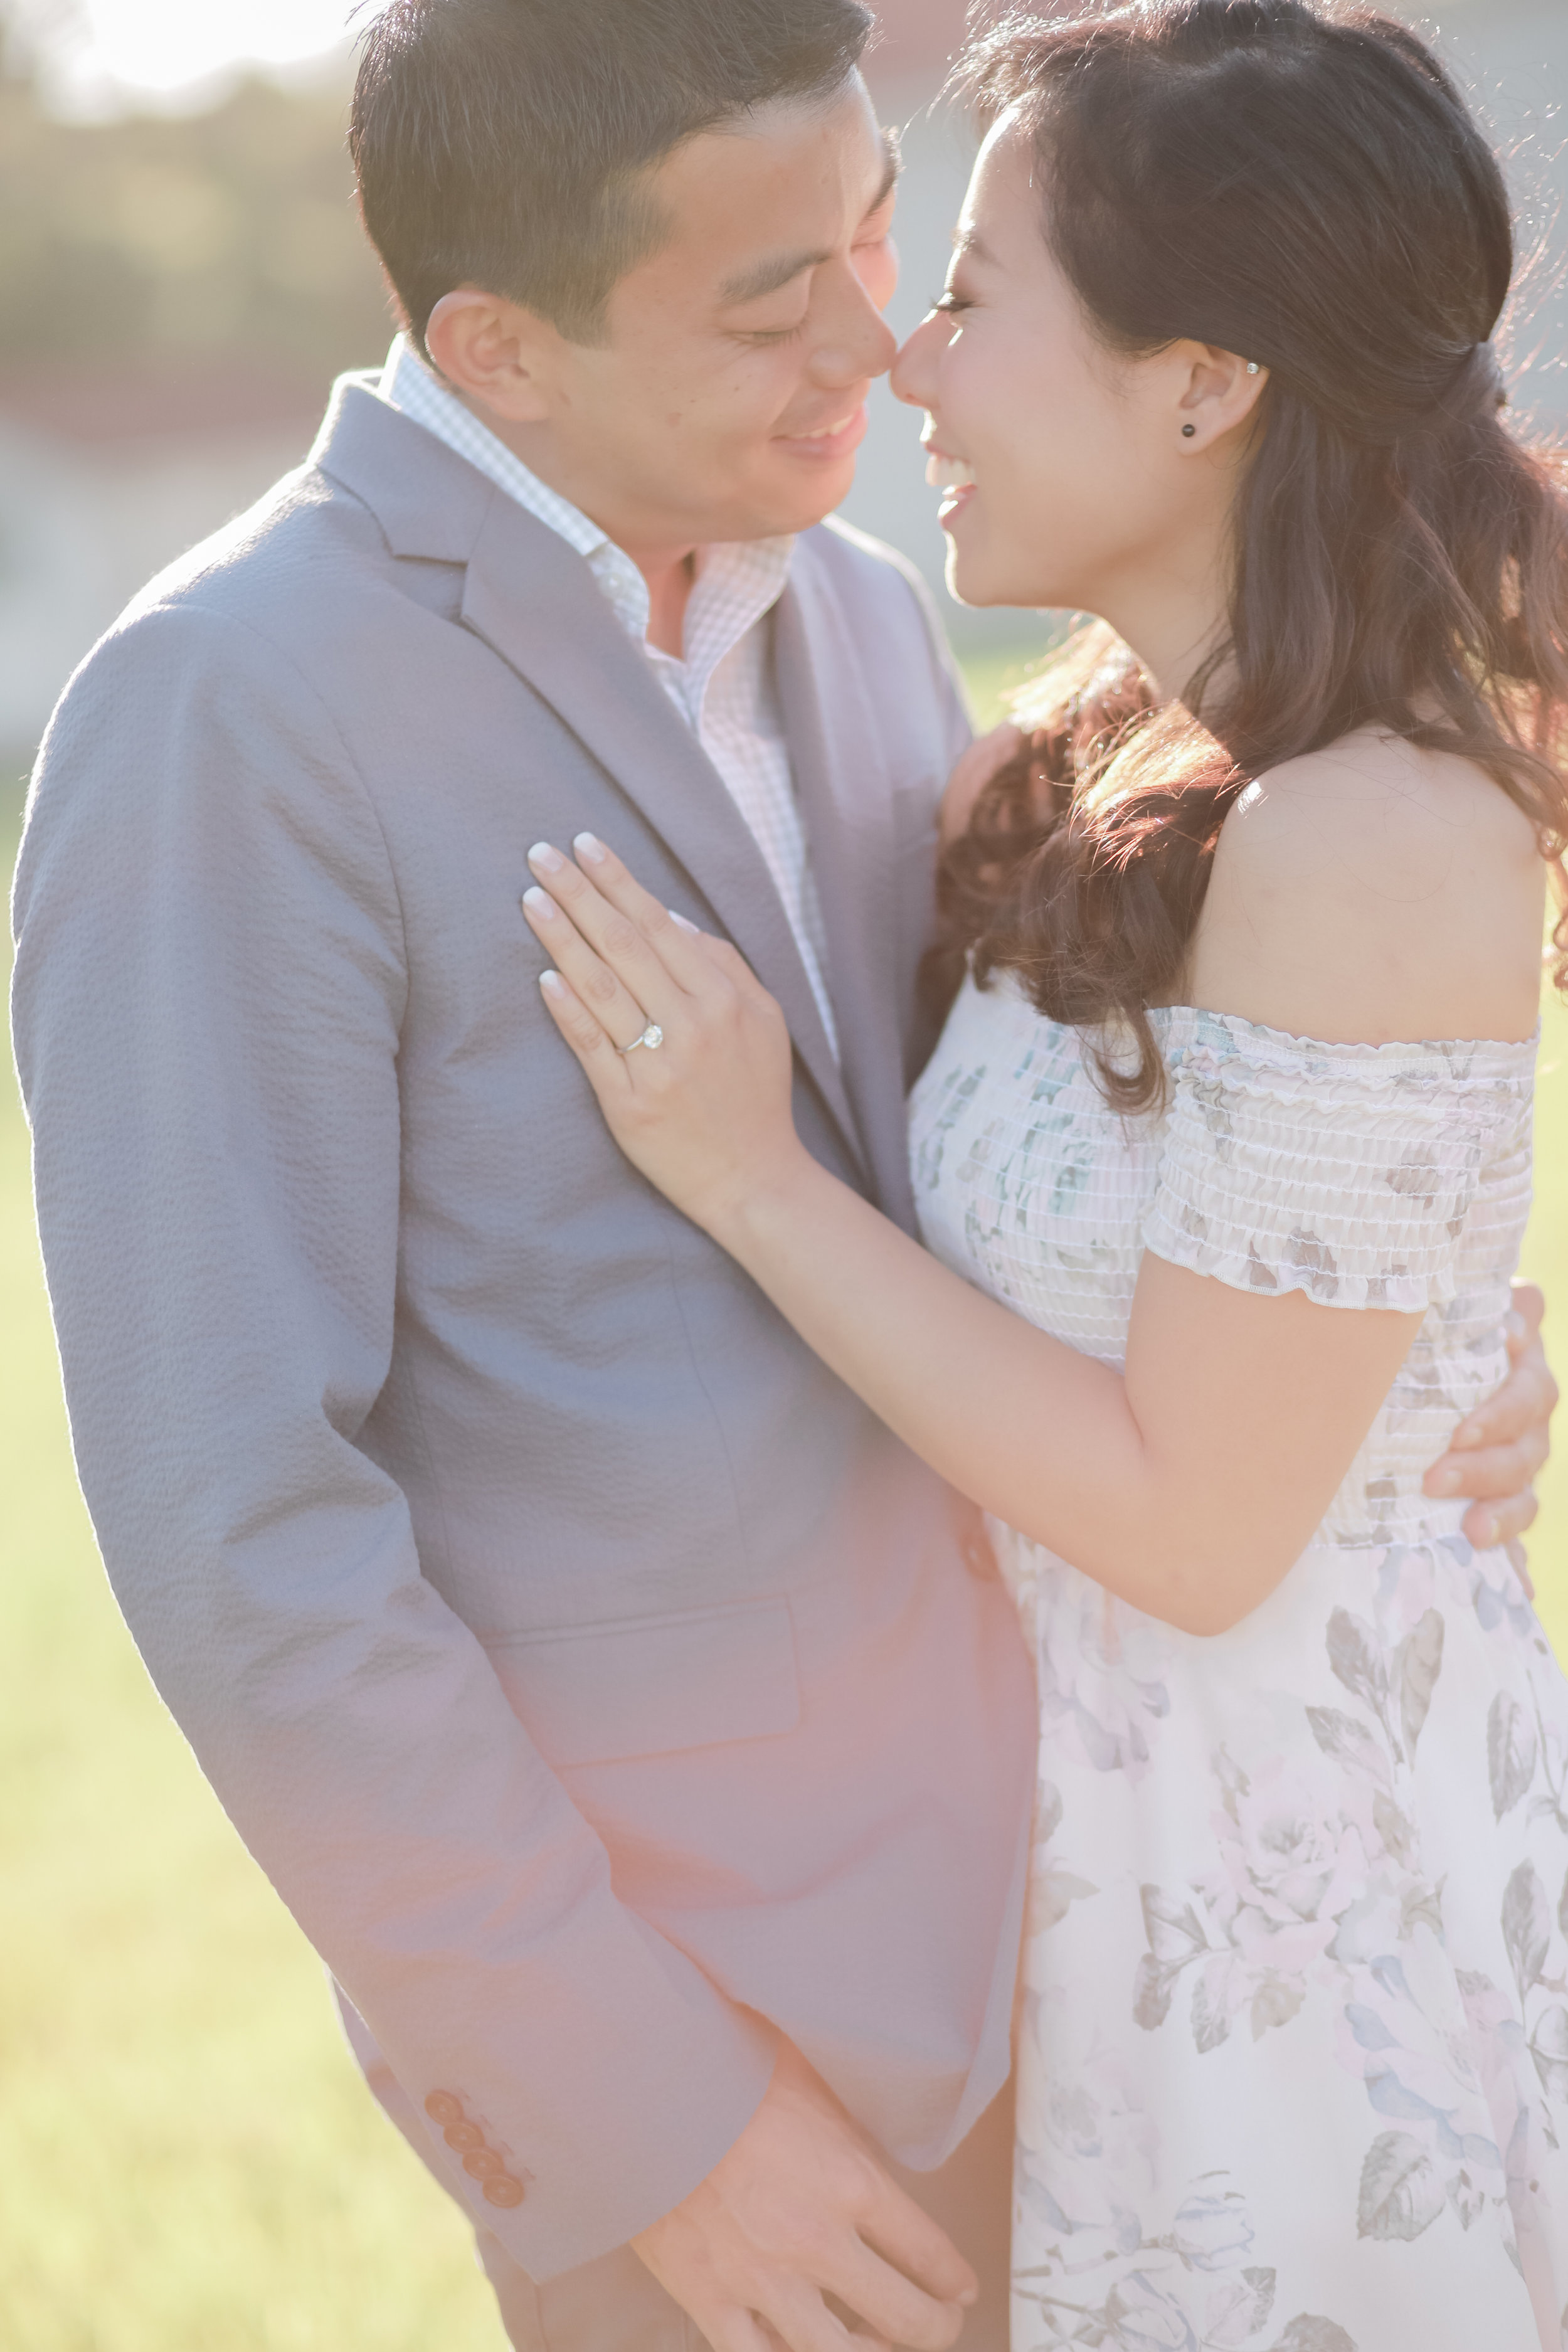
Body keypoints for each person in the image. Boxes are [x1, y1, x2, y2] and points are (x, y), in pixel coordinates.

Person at [6, 1, 1553, 2348]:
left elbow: (1076, 1190)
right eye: (774, 300)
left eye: (881, 247)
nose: (878, 346)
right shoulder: (224, 709)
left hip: (1110, 1932)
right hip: (711, 2054)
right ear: (497, 350)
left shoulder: (860, 617)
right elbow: (245, 1540)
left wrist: (1402, 1351)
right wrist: (639, 2119)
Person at [510, 2, 1568, 2346]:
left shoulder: (1380, 827)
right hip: (1035, 1866)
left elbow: (1198, 1531)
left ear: (1201, 381)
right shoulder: (1053, 772)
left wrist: (746, 1174)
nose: (905, 365)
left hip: (1282, 1912)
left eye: (975, 300)